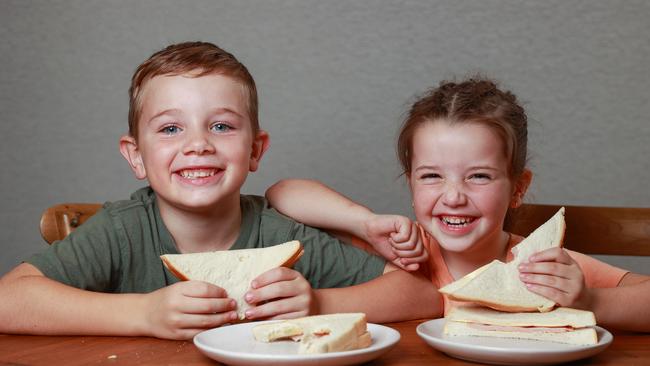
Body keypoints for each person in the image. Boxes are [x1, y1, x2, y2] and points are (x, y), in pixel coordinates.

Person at [0, 41, 439, 340]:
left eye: (222, 126)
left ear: (255, 149)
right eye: (171, 128)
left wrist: (318, 302)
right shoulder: (120, 232)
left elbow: (423, 295)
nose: (198, 144)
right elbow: (8, 300)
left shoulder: (284, 236)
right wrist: (142, 315)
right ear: (135, 156)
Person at [265, 77, 650, 332]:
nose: (453, 196)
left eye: (479, 176)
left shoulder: (541, 267)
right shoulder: (397, 250)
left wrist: (590, 300)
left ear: (518, 188)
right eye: (431, 176)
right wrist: (364, 222)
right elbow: (282, 194)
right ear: (411, 183)